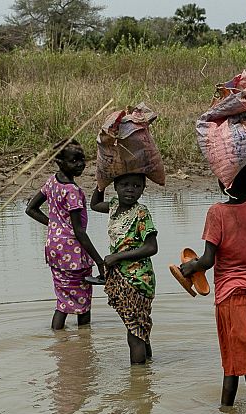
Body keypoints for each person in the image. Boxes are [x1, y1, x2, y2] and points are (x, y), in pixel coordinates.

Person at [180, 157, 246, 411]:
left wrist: (190, 267)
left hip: (231, 300)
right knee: (235, 365)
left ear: (222, 181)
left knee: (244, 368)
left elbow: (207, 260)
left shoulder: (217, 212)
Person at [26, 140, 104, 330]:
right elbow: (79, 232)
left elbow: (31, 209)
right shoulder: (72, 191)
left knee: (63, 298)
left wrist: (55, 226)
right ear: (59, 161)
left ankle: (58, 339)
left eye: (82, 159)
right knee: (82, 299)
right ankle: (84, 343)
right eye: (74, 160)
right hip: (73, 251)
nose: (80, 164)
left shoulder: (52, 182)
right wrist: (100, 262)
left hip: (54, 248)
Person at [91, 173, 158, 365]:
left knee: (134, 334)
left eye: (137, 186)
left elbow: (151, 247)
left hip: (137, 280)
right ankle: (147, 369)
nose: (130, 189)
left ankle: (138, 384)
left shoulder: (141, 213)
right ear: (116, 186)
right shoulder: (113, 206)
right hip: (122, 277)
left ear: (143, 189)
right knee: (139, 328)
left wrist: (116, 257)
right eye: (125, 185)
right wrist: (101, 183)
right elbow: (95, 205)